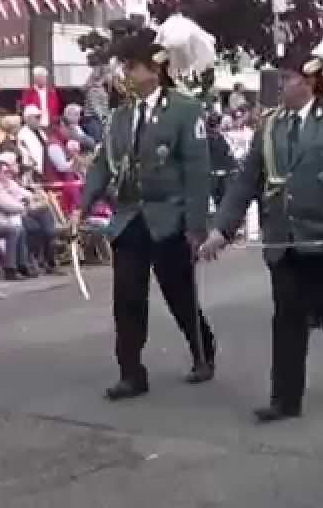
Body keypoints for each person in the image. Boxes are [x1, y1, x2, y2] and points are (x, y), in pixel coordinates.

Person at [200, 45, 323, 423]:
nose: (281, 85)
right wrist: (221, 229)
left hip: (322, 239)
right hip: (282, 240)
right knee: (287, 317)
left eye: (288, 77)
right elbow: (246, 182)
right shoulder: (271, 124)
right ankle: (285, 399)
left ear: (308, 80)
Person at [76, 27, 215, 401]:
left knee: (179, 293)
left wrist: (196, 225)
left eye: (132, 67)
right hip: (129, 218)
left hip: (169, 217)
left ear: (154, 70)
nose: (125, 74)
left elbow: (196, 170)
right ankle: (131, 371)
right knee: (127, 297)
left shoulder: (186, 110)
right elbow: (102, 165)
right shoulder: (120, 116)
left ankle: (203, 352)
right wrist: (82, 205)